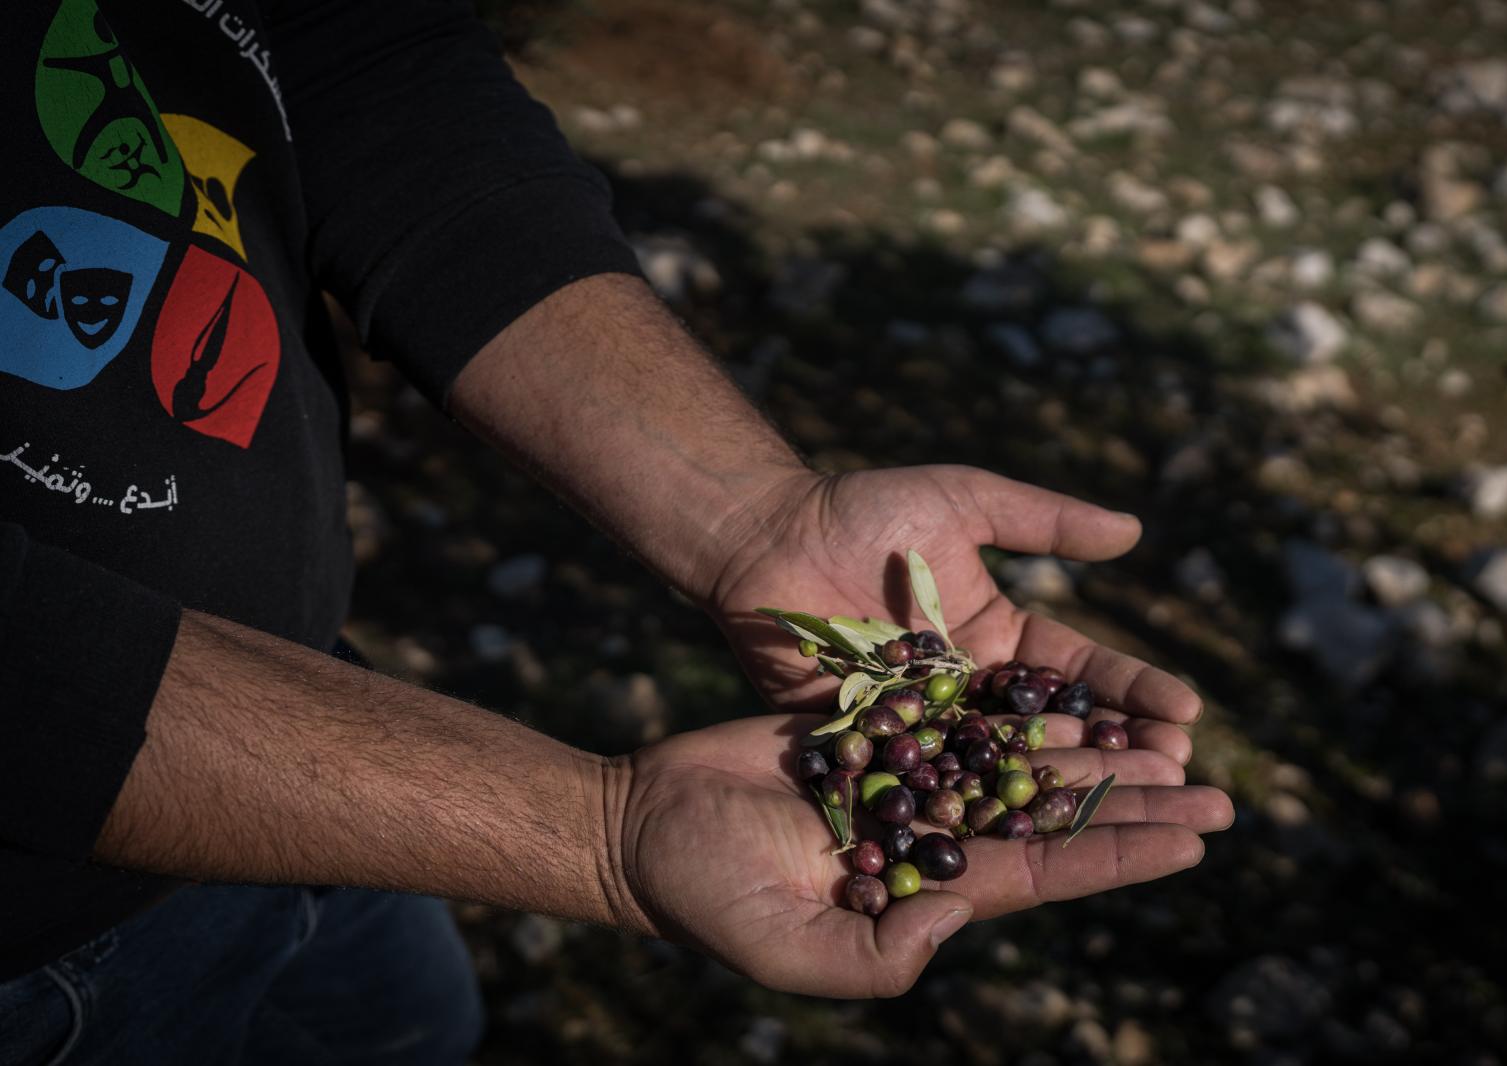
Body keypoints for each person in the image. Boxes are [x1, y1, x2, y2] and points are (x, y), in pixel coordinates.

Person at [0, 0, 1232, 1061]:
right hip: (34, 941)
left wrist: (756, 520)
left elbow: (343, 52)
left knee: (410, 1026)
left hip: (317, 727)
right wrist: (593, 835)